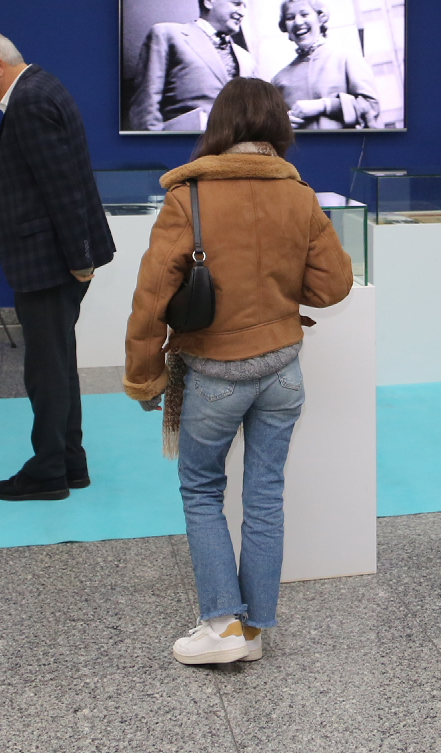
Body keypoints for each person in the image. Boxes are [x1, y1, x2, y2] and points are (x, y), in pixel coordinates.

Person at [124, 77, 354, 666]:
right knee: (266, 494)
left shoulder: (190, 197)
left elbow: (152, 298)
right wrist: (278, 283)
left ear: (219, 125)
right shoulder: (299, 194)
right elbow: (333, 286)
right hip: (283, 370)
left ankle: (221, 624)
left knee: (202, 490)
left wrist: (144, 375)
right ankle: (252, 631)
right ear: (278, 125)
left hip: (213, 374)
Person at [0, 30, 115, 501]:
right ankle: (70, 463)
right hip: (54, 258)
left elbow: (61, 187)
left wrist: (79, 259)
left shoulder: (29, 101)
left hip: (47, 262)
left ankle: (48, 471)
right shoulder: (42, 87)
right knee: (58, 362)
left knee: (46, 370)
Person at [128, 0, 256, 131]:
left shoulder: (247, 59)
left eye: (245, 6)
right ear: (209, 0)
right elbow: (145, 110)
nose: (242, 12)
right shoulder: (167, 35)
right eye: (236, 3)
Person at [268, 0, 382, 129]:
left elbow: (371, 106)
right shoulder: (278, 80)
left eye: (304, 14)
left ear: (320, 18)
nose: (298, 22)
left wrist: (325, 105)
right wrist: (280, 124)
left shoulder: (346, 57)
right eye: (290, 18)